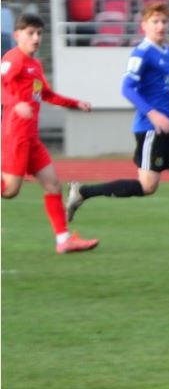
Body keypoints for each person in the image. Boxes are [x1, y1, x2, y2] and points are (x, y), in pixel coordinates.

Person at [65, 3, 169, 249]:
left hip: (167, 128)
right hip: (150, 129)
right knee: (147, 186)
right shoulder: (141, 53)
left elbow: (167, 89)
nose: (160, 26)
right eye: (155, 21)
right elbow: (127, 88)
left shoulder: (167, 51)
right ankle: (83, 192)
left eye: (164, 22)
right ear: (144, 25)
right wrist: (153, 115)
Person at [2, 13, 101, 253]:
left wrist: (75, 103)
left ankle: (63, 240)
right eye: (30, 33)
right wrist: (15, 104)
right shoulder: (13, 59)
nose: (36, 38)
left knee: (53, 184)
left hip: (31, 138)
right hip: (15, 135)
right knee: (10, 190)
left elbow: (47, 94)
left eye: (39, 33)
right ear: (17, 36)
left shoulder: (35, 65)